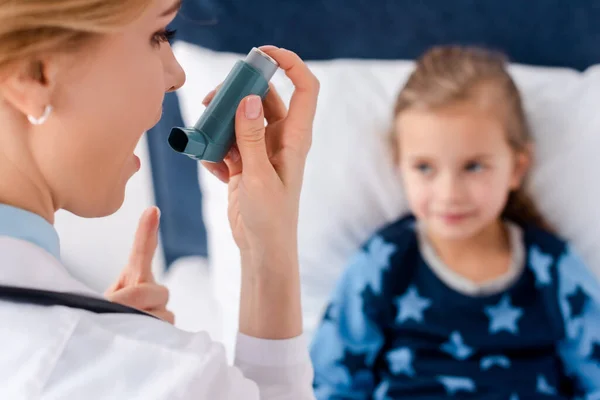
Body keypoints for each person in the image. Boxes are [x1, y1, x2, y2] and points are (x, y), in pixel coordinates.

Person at [0, 0, 319, 398]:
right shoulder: (159, 376)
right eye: (158, 35)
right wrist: (270, 254)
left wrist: (102, 332)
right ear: (33, 74)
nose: (177, 76)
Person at [309, 46, 600, 399]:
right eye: (425, 168)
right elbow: (331, 381)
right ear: (399, 166)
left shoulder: (552, 269)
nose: (449, 194)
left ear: (517, 167)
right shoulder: (385, 261)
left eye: (474, 166)